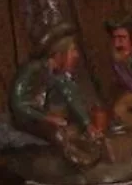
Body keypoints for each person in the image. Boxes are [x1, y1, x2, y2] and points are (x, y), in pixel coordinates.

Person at [8, 24, 107, 167]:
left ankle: (92, 152)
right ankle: (78, 161)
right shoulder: (32, 70)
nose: (76, 55)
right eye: (72, 50)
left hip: (45, 115)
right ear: (59, 54)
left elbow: (71, 97)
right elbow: (18, 103)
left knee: (73, 128)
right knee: (57, 133)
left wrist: (87, 124)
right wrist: (46, 117)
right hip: (28, 118)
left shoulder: (59, 76)